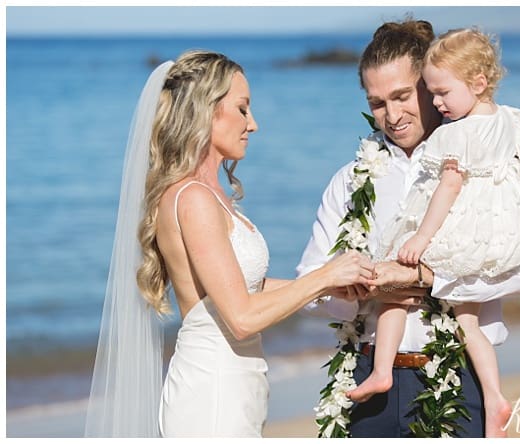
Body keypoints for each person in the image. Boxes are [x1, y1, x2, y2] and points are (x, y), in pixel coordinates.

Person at [84, 50, 374, 438]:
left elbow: (243, 287)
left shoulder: (208, 194)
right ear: (207, 110)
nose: (253, 124)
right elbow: (241, 318)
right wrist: (323, 277)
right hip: (213, 390)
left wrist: (331, 288)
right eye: (242, 109)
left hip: (233, 383)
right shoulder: (193, 199)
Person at [297, 19, 520, 438]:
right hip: (367, 378)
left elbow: (518, 273)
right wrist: (361, 289)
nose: (391, 116)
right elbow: (311, 288)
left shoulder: (484, 165)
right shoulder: (350, 180)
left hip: (456, 378)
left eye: (402, 96)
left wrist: (421, 278)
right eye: (377, 103)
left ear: (430, 85)